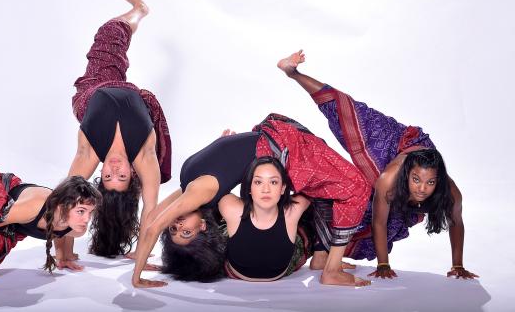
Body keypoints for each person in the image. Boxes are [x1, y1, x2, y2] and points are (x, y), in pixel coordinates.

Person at [277, 49, 478, 280]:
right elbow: (378, 222)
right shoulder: (389, 179)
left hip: (415, 162)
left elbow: (456, 223)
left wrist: (458, 265)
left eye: (430, 183)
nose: (422, 188)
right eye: (416, 180)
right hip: (395, 140)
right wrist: (384, 264)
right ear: (407, 176)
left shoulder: (451, 192)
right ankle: (292, 73)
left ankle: (323, 253)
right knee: (347, 110)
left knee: (363, 214)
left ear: (438, 181)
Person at [133, 115, 373, 288]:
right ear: (201, 229)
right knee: (354, 187)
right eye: (185, 232)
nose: (177, 223)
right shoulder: (202, 193)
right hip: (281, 147)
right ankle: (330, 268)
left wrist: (140, 259)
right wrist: (137, 278)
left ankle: (323, 258)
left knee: (329, 187)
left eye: (173, 229)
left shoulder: (190, 188)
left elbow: (153, 218)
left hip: (274, 140)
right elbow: (155, 226)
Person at [57, 0, 172, 262]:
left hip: (95, 87)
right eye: (121, 177)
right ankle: (139, 9)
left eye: (107, 176)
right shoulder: (144, 156)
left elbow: (64, 202)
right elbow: (151, 209)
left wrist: (65, 253)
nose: (115, 169)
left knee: (108, 34)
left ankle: (138, 10)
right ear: (133, 175)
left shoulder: (90, 153)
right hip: (125, 88)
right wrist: (141, 254)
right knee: (116, 39)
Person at [161, 156, 313, 283]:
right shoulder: (232, 209)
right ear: (248, 188)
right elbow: (313, 184)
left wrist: (217, 162)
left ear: (282, 188)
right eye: (258, 182)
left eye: (273, 182)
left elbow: (207, 187)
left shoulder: (230, 208)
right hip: (238, 266)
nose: (266, 189)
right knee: (306, 230)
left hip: (239, 260)